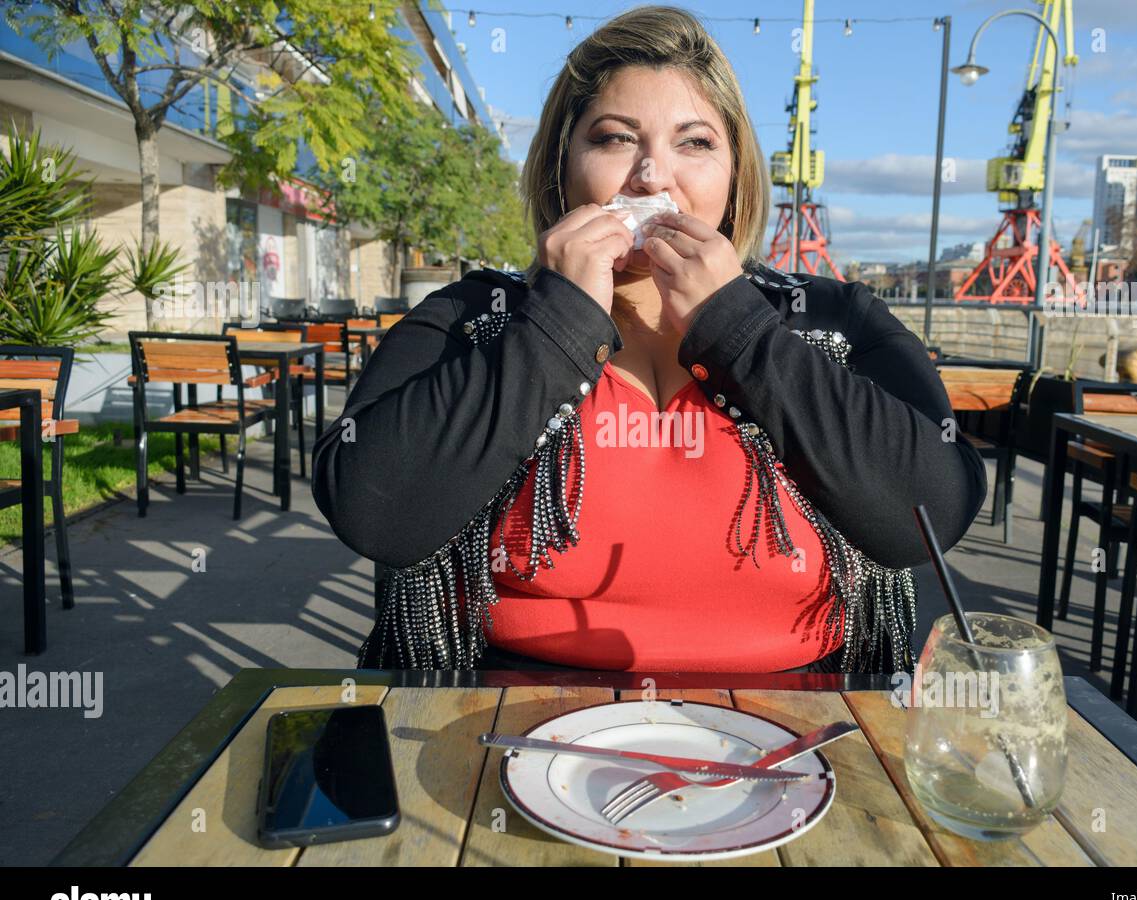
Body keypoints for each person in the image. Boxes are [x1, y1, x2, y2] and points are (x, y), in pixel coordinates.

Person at [312, 5, 987, 674]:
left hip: (802, 729)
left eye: (694, 143)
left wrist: (740, 329)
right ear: (563, 167)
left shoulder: (835, 319)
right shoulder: (475, 316)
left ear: (734, 175)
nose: (653, 176)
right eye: (614, 138)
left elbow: (929, 515)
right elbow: (374, 513)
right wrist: (558, 323)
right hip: (500, 717)